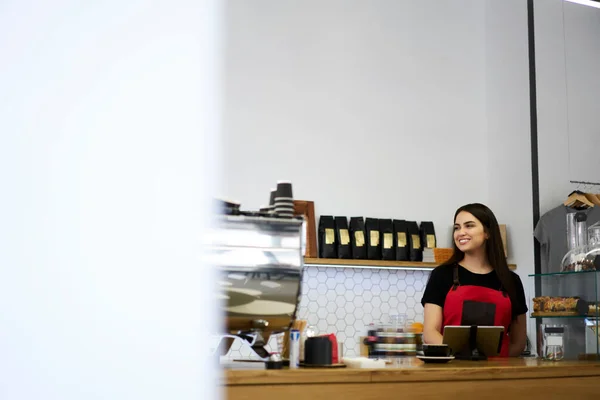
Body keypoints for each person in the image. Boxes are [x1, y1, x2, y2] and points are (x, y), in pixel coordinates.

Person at [420, 203, 527, 357]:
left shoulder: (511, 280)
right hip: (452, 370)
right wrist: (459, 357)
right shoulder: (442, 275)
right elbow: (430, 333)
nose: (460, 232)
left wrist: (496, 361)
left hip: (499, 374)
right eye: (457, 228)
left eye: (469, 226)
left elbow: (518, 342)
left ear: (487, 233)